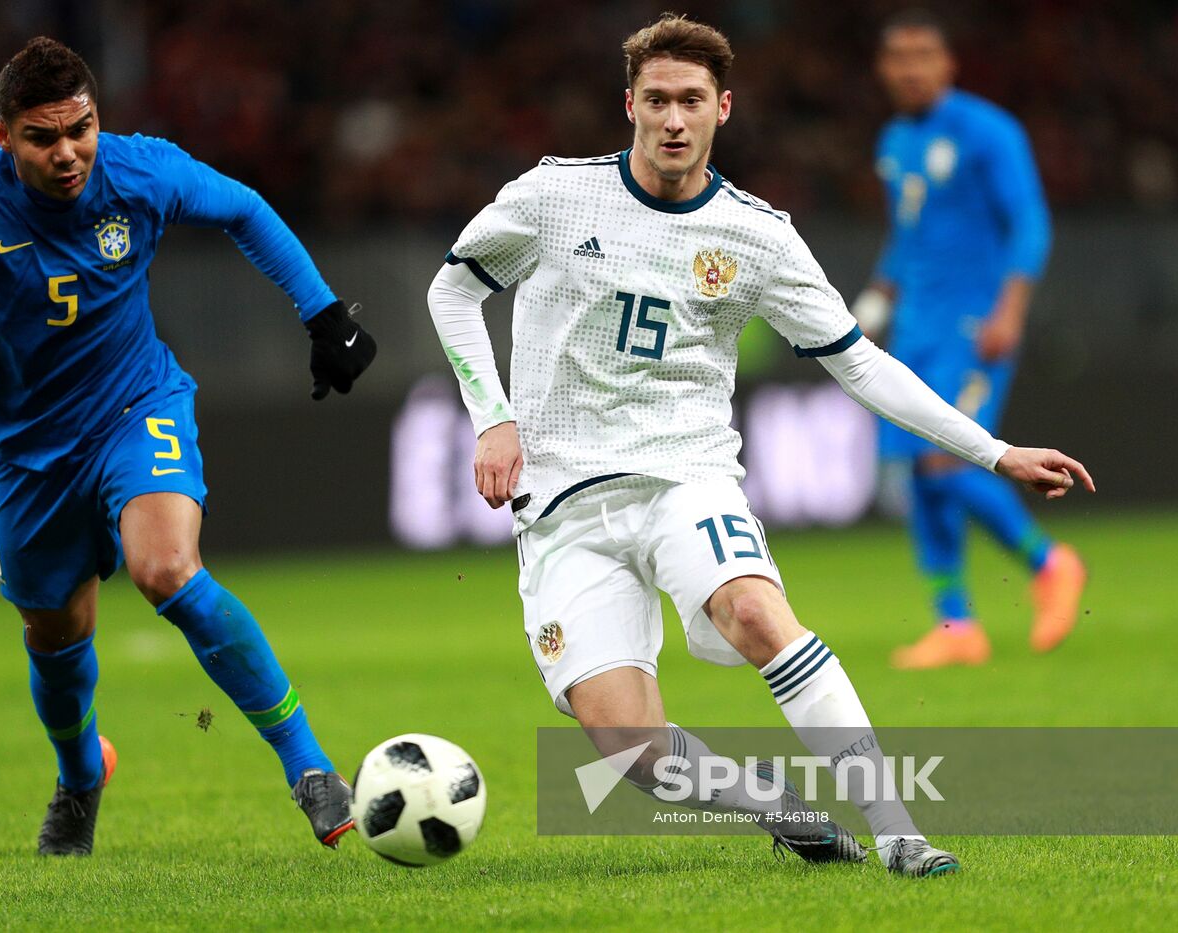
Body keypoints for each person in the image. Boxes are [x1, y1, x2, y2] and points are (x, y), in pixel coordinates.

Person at [426, 13, 1093, 877]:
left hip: (686, 476)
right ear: (628, 104)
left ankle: (900, 833)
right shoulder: (555, 197)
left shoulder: (758, 235)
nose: (674, 118)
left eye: (691, 101)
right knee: (631, 748)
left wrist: (994, 451)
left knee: (755, 612)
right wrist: (493, 416)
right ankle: (774, 804)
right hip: (560, 497)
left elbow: (863, 366)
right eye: (657, 99)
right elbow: (453, 292)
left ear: (722, 109)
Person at [0, 37, 376, 856]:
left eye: (82, 128)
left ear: (98, 117)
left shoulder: (140, 171)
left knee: (166, 567)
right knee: (55, 639)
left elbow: (244, 208)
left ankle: (309, 767)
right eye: (42, 137)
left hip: (139, 406)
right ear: (4, 136)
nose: (68, 153)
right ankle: (79, 777)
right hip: (32, 453)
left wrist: (321, 311)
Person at [851, 10, 1085, 669]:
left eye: (924, 54)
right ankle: (956, 626)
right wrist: (873, 303)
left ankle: (1051, 562)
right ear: (883, 69)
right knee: (917, 473)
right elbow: (908, 236)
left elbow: (1030, 225)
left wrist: (1009, 311)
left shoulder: (988, 132)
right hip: (913, 331)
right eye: (898, 56)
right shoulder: (895, 140)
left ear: (947, 64)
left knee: (946, 459)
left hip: (971, 326)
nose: (911, 67)